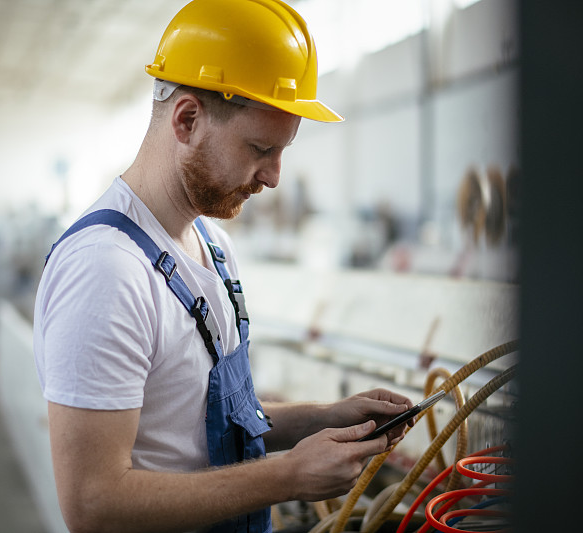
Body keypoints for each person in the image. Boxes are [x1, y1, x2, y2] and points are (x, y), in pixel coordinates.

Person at [32, 1, 414, 532]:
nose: (275, 177)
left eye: (282, 151)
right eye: (260, 148)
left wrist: (322, 419)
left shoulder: (213, 245)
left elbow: (198, 427)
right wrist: (288, 477)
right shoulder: (106, 270)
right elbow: (94, 504)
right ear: (187, 120)